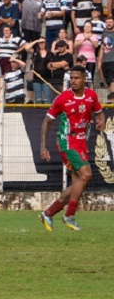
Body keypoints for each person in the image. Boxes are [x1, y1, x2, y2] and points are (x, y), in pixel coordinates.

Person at [39, 66, 104, 232]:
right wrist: (43, 145)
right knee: (86, 174)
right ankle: (69, 215)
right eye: (71, 78)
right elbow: (47, 121)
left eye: (76, 78)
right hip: (66, 141)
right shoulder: (62, 98)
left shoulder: (91, 96)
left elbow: (99, 112)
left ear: (84, 79)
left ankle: (48, 213)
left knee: (78, 184)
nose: (73, 81)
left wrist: (100, 121)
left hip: (82, 142)